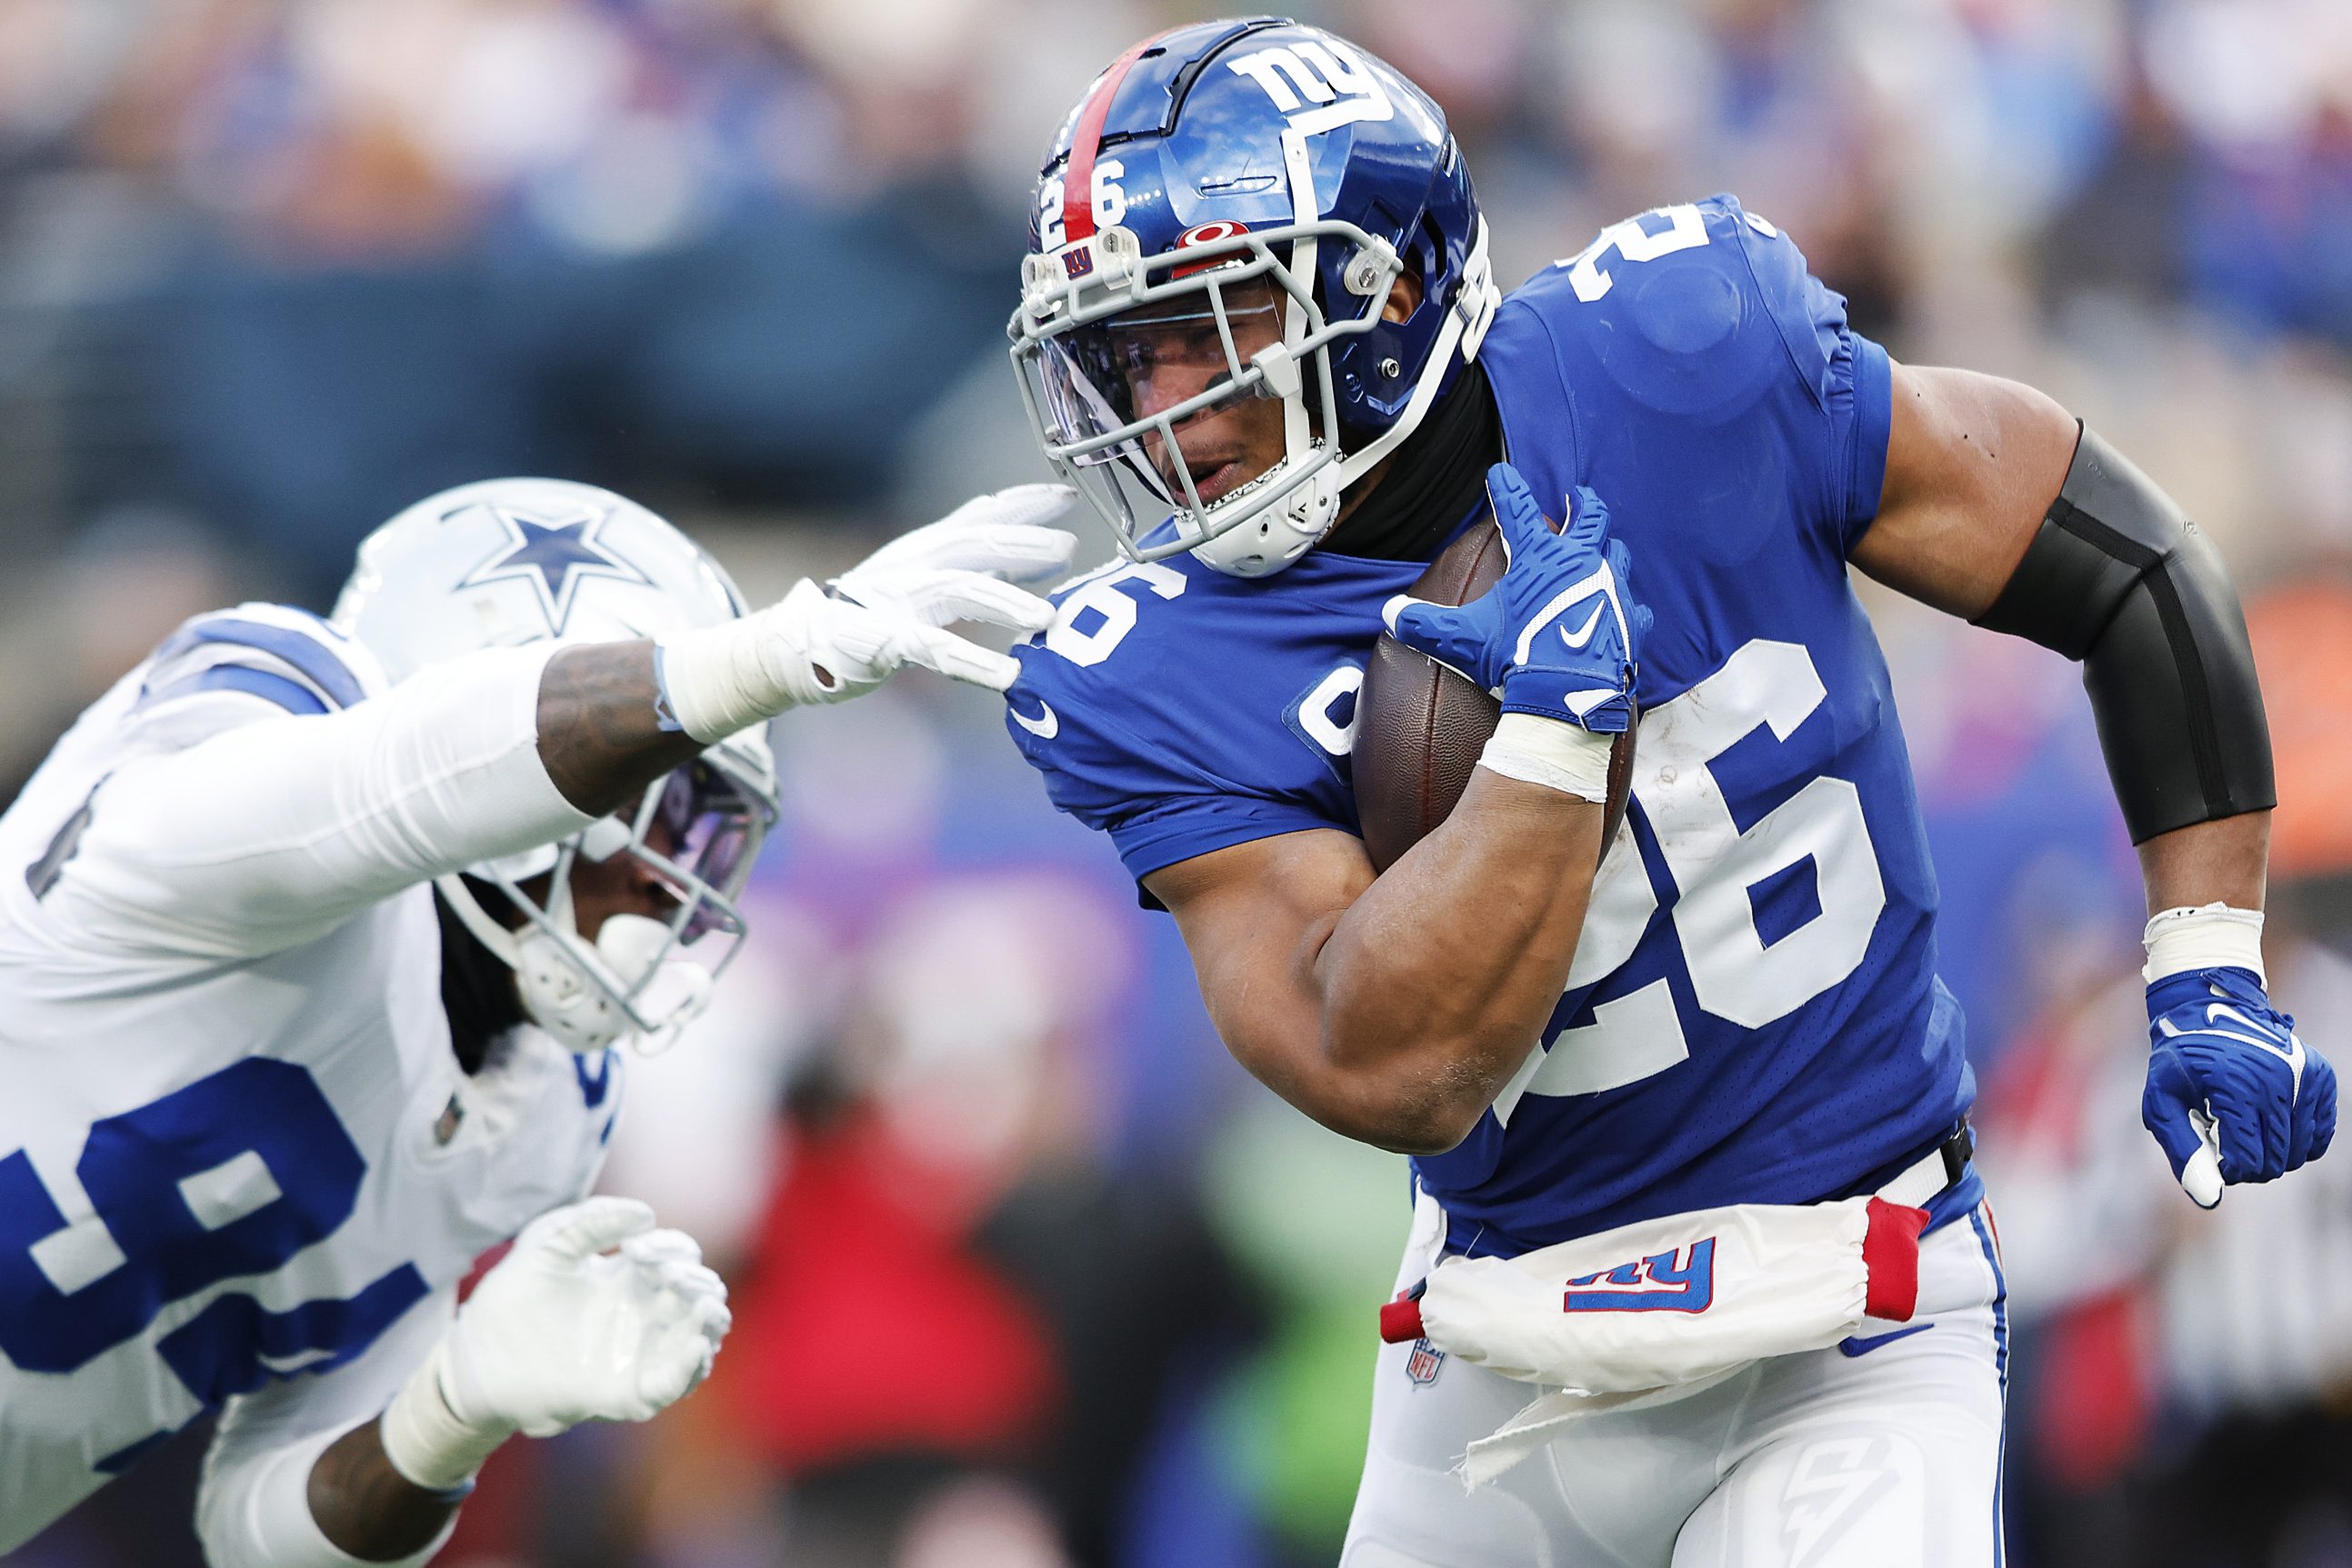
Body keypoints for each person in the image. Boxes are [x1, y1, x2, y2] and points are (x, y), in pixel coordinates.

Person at [997, 17, 2334, 1565]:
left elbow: (2127, 566)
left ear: (1382, 290)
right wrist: (1550, 747)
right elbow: (1378, 1065)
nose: (1156, 401)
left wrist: (2206, 963)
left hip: (1850, 1312)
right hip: (1495, 1361)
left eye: (1204, 327)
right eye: (1119, 352)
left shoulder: (1679, 356)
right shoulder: (1155, 661)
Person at [0, 476, 1073, 1565]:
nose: (674, 881)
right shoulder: (256, 716)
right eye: (660, 799)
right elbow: (383, 780)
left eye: (707, 830)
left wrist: (447, 1416)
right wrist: (747, 665)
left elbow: (257, 1537)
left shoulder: (539, 1106)